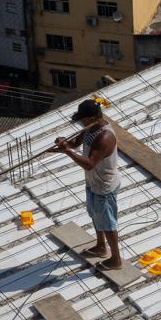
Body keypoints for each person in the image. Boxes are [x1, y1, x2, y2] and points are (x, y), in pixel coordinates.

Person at [53, 100, 122, 269]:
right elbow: (75, 143)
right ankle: (100, 246)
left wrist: (67, 151)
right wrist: (65, 144)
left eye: (82, 119)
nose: (80, 122)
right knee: (95, 215)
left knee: (107, 223)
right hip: (93, 182)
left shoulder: (105, 136)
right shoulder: (91, 128)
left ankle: (116, 259)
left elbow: (90, 163)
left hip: (105, 186)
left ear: (91, 118)